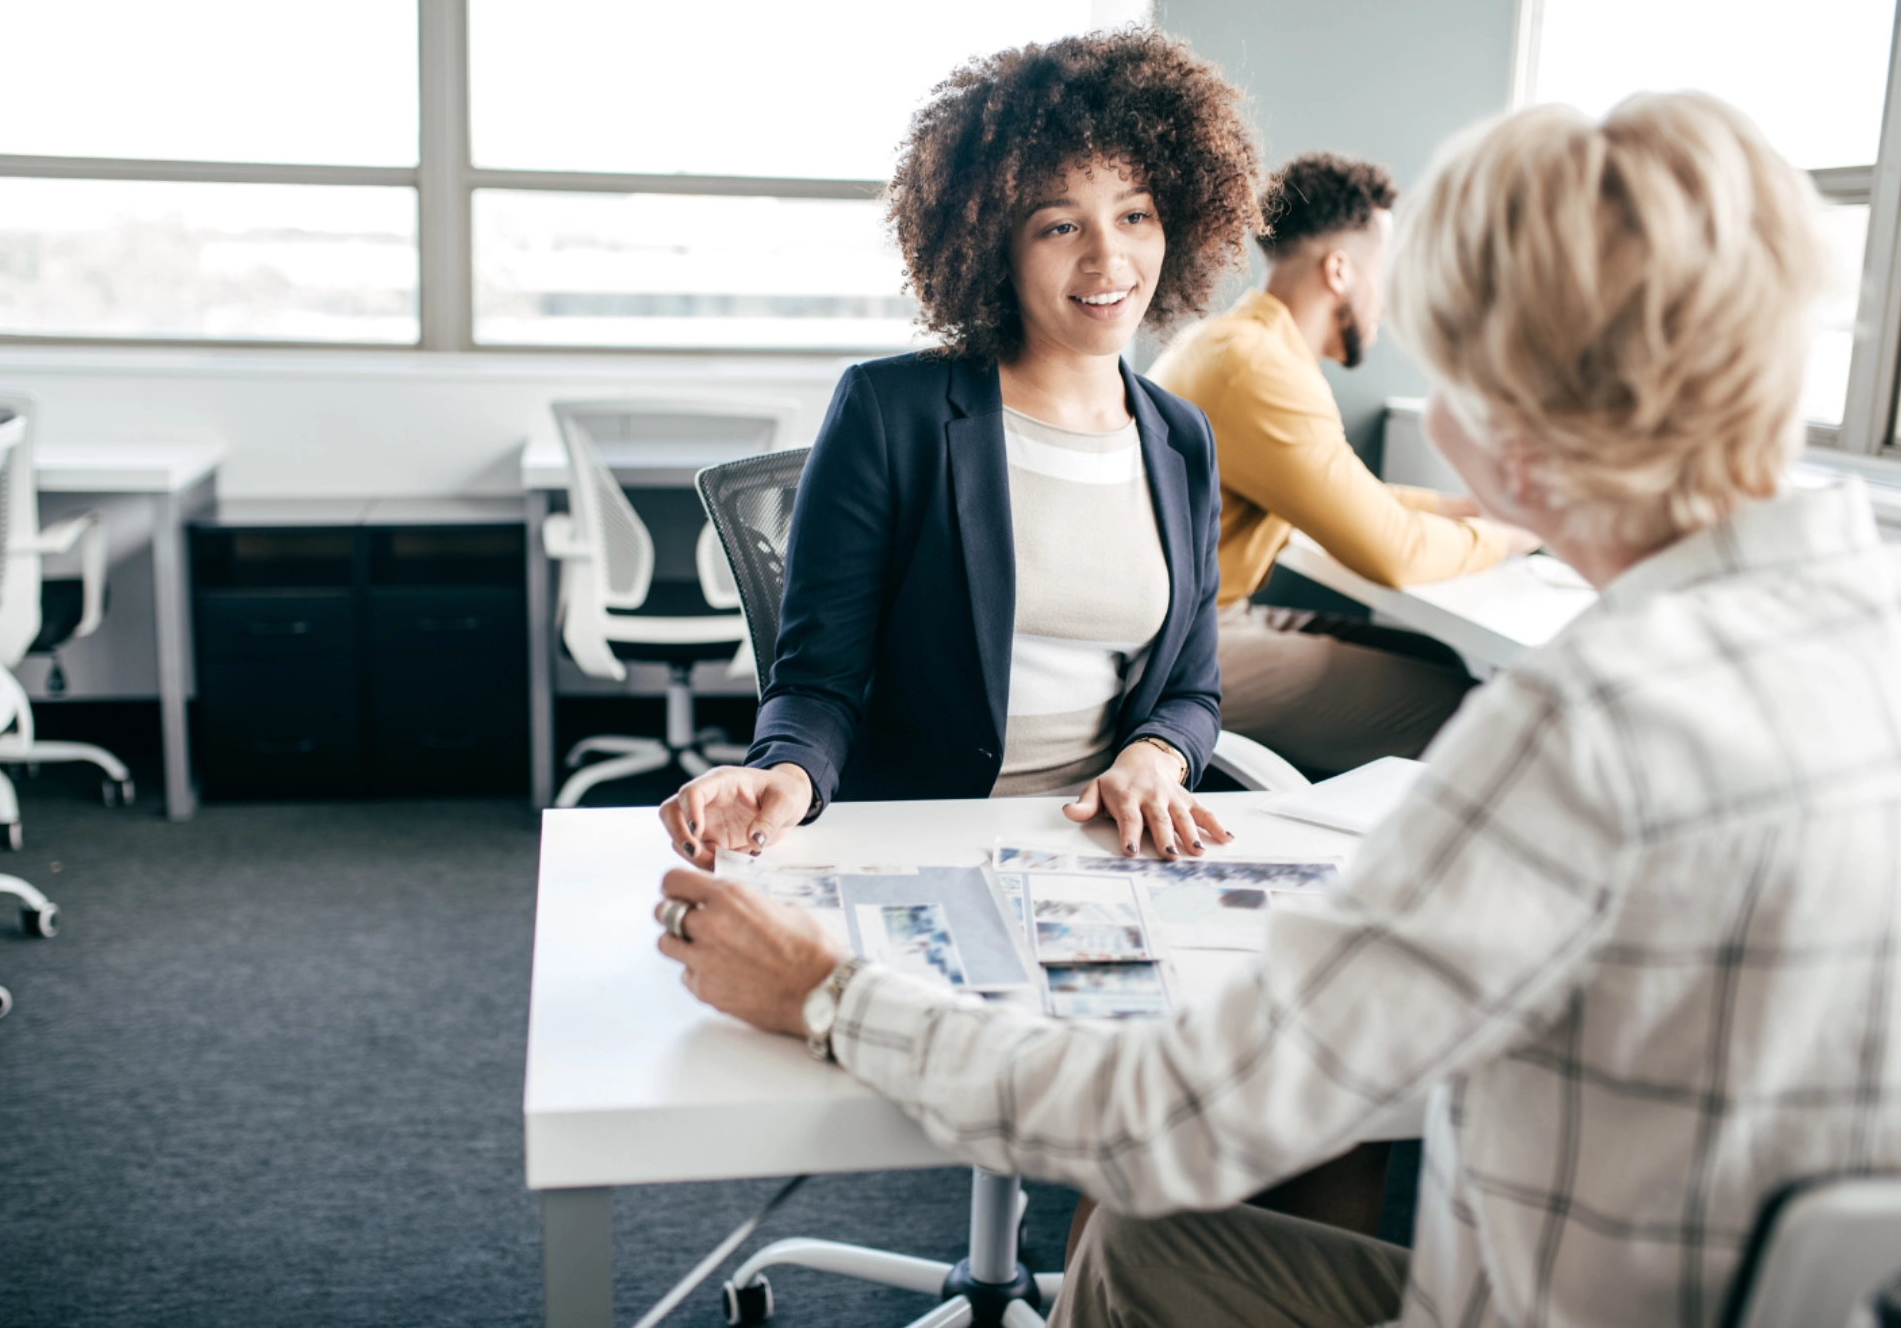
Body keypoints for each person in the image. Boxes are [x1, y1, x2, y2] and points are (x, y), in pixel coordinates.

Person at [652, 90, 1901, 1327]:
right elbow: (821, 678)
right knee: (1213, 1207)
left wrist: (824, 993)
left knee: (1184, 1205)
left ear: (1500, 423)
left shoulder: (1578, 728)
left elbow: (1174, 1110)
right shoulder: (1868, 618)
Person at [657, 28, 1266, 867]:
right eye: (1060, 226)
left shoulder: (1180, 439)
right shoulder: (889, 412)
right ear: (995, 246)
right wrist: (788, 773)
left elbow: (1191, 690)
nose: (1108, 256)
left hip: (1101, 848)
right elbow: (816, 684)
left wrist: (1154, 757)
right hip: (920, 841)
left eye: (1135, 215)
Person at [1149, 153, 1542, 780]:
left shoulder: (1240, 343)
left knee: (1429, 655)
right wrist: (1513, 534)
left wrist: (1469, 509)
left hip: (1212, 615)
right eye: (1386, 274)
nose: (1390, 298)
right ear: (1339, 270)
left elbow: (1350, 492)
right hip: (1176, 647)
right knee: (1468, 711)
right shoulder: (1258, 369)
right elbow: (1393, 550)